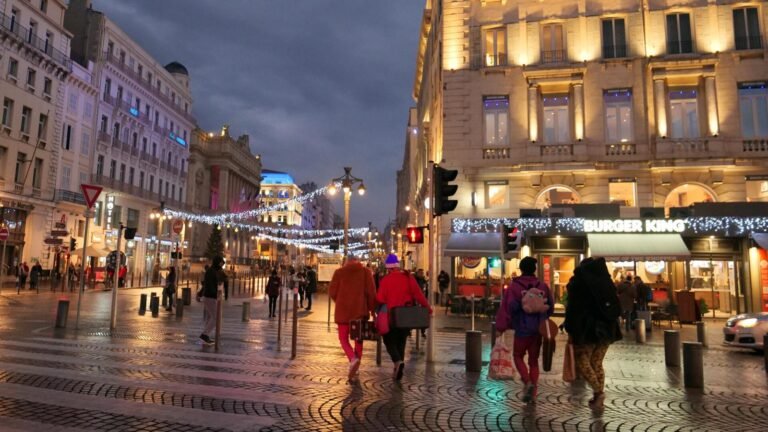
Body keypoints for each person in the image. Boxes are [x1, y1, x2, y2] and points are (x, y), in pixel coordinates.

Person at [563, 257, 623, 410]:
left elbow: (573, 310)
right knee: (597, 362)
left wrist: (570, 328)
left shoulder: (579, 284)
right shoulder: (605, 281)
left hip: (587, 329)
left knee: (582, 360)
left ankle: (598, 392)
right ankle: (598, 397)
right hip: (608, 329)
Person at [495, 256, 554, 404]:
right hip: (537, 330)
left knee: (518, 355)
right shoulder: (542, 286)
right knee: (533, 361)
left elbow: (506, 307)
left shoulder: (514, 287)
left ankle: (527, 382)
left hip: (521, 328)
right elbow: (551, 307)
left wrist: (501, 327)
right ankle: (533, 394)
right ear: (534, 269)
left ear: (521, 269)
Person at [376, 254, 431, 381]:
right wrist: (428, 308)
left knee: (388, 340)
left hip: (391, 316)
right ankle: (398, 370)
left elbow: (380, 298)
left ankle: (397, 362)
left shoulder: (386, 280)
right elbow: (419, 294)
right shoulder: (408, 277)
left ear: (388, 268)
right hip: (406, 316)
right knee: (401, 341)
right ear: (398, 265)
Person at [329, 255, 376, 382]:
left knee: (343, 339)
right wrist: (372, 309)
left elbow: (332, 292)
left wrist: (340, 301)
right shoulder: (366, 272)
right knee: (358, 339)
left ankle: (352, 358)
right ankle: (357, 364)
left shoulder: (339, 272)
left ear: (346, 261)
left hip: (343, 312)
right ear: (358, 261)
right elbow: (371, 293)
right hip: (359, 312)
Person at [198, 256, 227, 345]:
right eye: (221, 264)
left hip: (210, 297)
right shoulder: (211, 272)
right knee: (216, 318)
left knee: (211, 317)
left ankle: (206, 335)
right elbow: (209, 285)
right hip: (210, 297)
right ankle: (205, 334)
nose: (221, 266)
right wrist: (215, 295)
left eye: (222, 264)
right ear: (217, 262)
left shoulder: (214, 271)